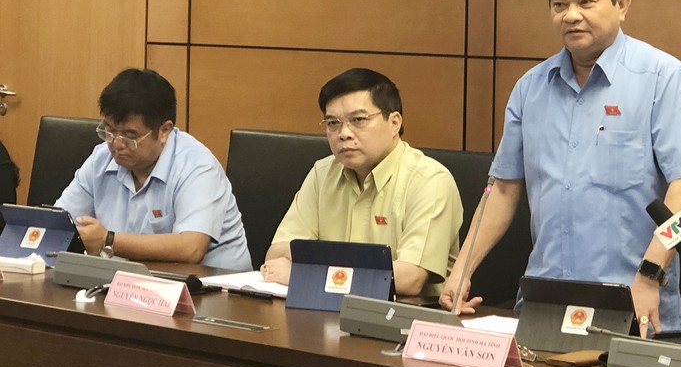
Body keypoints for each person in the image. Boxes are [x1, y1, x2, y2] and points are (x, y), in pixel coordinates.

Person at [440, 0, 681, 336]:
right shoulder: (530, 88)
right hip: (544, 300)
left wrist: (651, 272)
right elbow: (501, 190)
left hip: (633, 302)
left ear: (621, 5)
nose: (570, 15)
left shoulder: (663, 78)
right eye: (559, 4)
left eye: (585, 2)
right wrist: (462, 270)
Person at [261, 68, 462, 297]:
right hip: (323, 311)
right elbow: (275, 255)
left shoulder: (430, 181)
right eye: (333, 123)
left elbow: (409, 278)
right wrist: (356, 269)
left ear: (394, 122)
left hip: (400, 314)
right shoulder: (322, 173)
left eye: (358, 120)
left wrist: (309, 272)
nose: (344, 133)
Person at [56, 68, 251, 270]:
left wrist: (109, 240)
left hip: (214, 283)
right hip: (134, 281)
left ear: (164, 131)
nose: (116, 144)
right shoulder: (101, 159)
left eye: (130, 135)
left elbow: (191, 248)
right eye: (110, 131)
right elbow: (58, 223)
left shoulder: (197, 166)